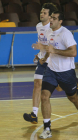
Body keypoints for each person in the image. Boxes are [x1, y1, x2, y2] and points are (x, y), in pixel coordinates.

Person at [33, 11, 78, 139]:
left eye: (54, 18)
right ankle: (47, 128)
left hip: (66, 73)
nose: (51, 20)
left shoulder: (66, 34)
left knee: (73, 98)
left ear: (60, 21)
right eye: (51, 17)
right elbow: (49, 48)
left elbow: (73, 52)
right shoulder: (48, 32)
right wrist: (43, 57)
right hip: (51, 70)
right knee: (44, 96)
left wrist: (55, 51)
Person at [23, 3, 58, 124]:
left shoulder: (52, 28)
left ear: (50, 17)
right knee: (37, 84)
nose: (41, 14)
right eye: (41, 12)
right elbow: (42, 45)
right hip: (42, 60)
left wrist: (40, 46)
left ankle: (72, 84)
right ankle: (34, 114)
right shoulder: (38, 26)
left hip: (52, 61)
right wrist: (39, 53)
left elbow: (51, 47)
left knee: (59, 87)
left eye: (44, 13)